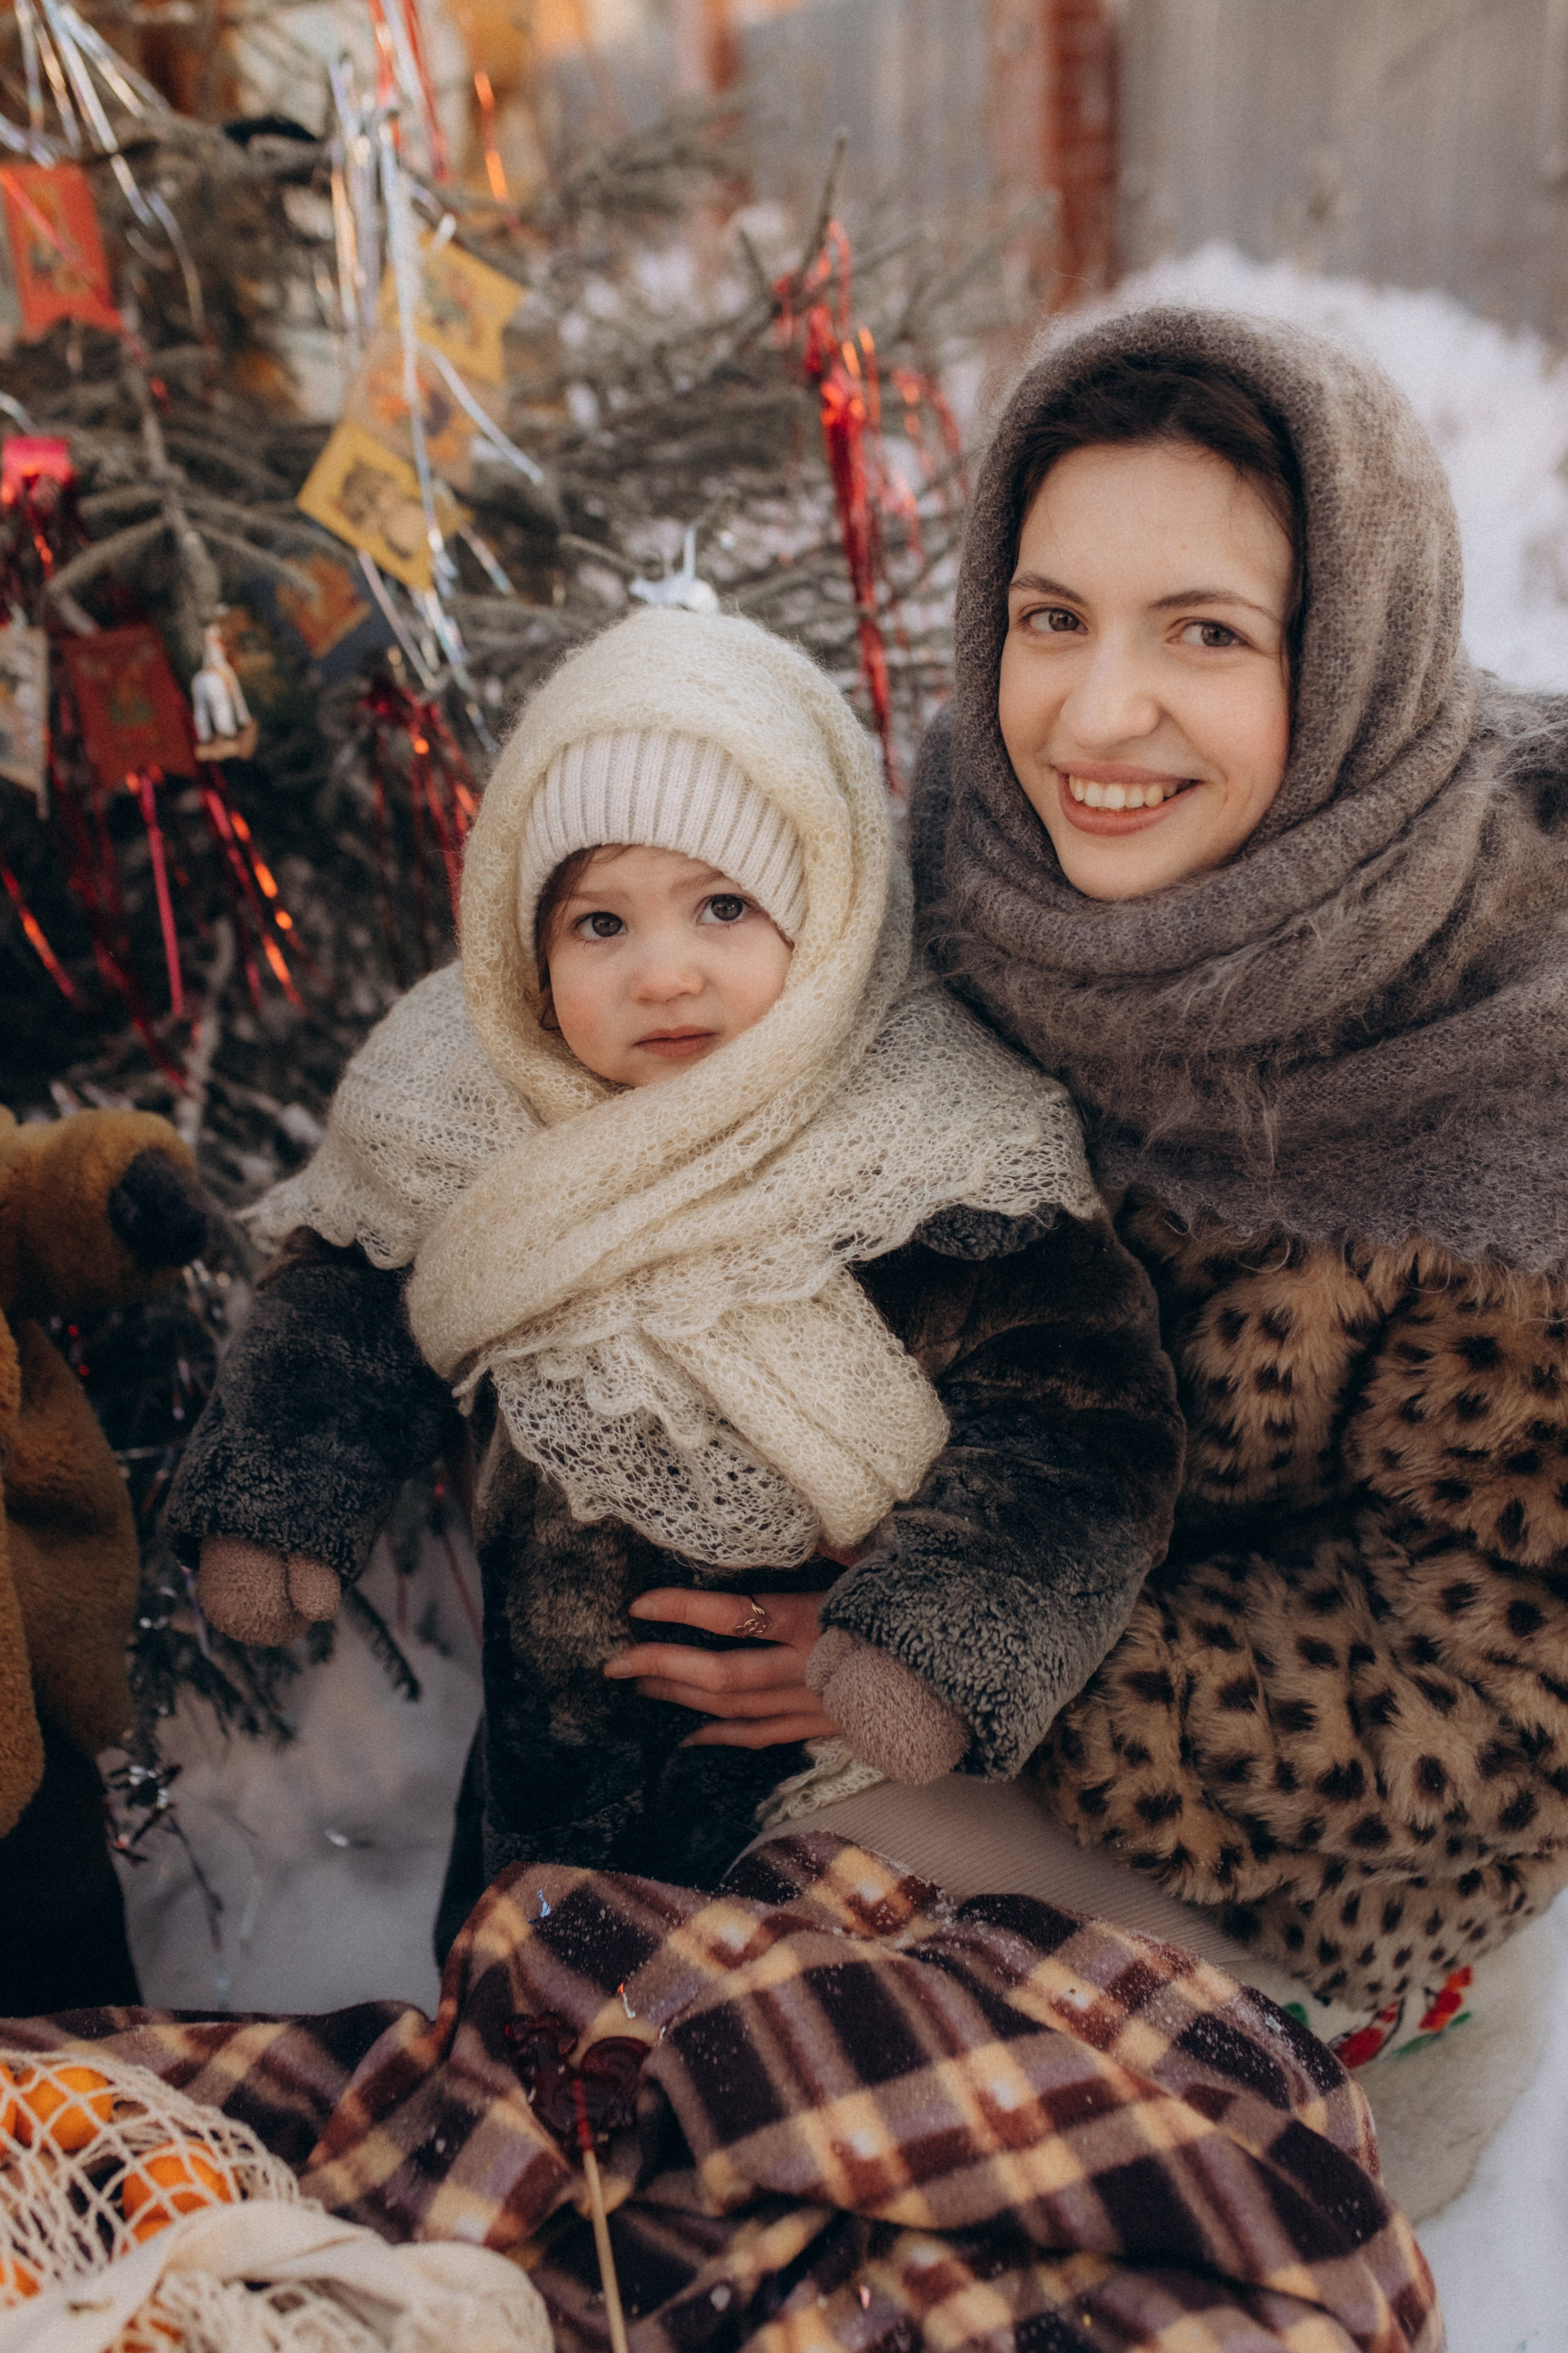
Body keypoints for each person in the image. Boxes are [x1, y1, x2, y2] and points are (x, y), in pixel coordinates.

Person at [851, 299, 1568, 2217]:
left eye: (1208, 635)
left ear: (1351, 662)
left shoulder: (1507, 1054)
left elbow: (1502, 1690)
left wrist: (967, 1660)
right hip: (907, 1735)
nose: (1095, 719)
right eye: (1053, 615)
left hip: (1329, 1915)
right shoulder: (950, 906)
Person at [162, 608, 1182, 1954]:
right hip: (546, 1785)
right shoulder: (465, 1112)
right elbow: (346, 1300)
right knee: (535, 2024)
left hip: (845, 1793)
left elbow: (1078, 1422)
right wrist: (281, 1494)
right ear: (524, 952)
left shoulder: (939, 1146)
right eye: (598, 921)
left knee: (779, 2064)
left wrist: (932, 1635)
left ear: (820, 915)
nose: (664, 972)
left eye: (721, 904)